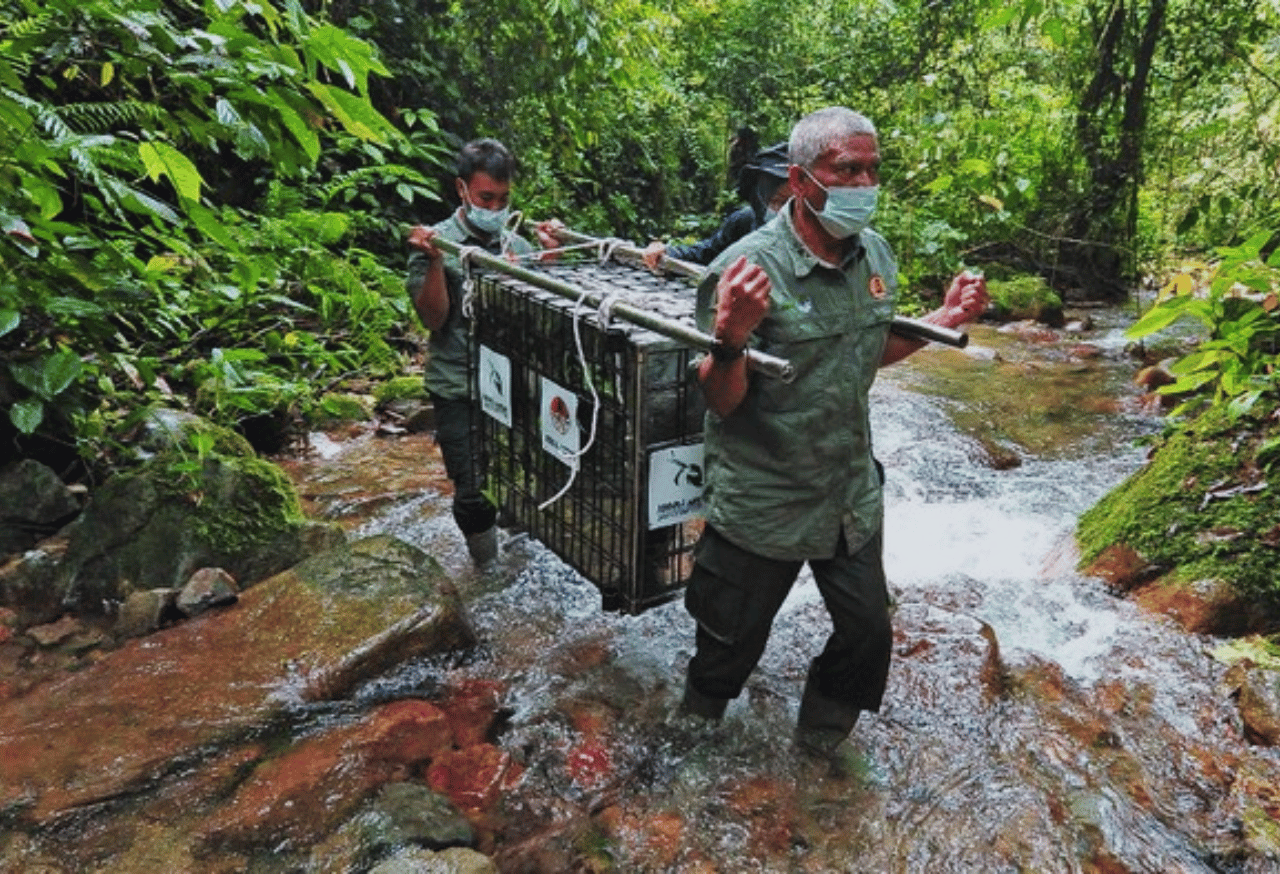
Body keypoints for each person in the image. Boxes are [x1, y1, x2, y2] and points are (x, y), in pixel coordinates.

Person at [677, 106, 989, 770]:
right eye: (847, 169)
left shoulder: (873, 253)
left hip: (847, 489)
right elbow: (721, 399)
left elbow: (867, 349)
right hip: (765, 496)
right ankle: (693, 740)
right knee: (728, 645)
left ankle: (818, 744)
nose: (864, 182)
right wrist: (732, 337)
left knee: (869, 631)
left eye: (872, 168)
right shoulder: (744, 270)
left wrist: (941, 319)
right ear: (799, 178)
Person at [405, 138, 562, 564]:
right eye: (485, 198)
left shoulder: (519, 246)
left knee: (516, 481)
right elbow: (434, 320)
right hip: (458, 384)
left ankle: (518, 564)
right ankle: (487, 574)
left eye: (503, 199)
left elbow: (544, 322)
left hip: (511, 384)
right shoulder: (436, 242)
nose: (494, 209)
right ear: (462, 190)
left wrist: (545, 260)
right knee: (472, 492)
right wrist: (436, 262)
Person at [642, 142, 792, 269]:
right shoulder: (745, 222)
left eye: (788, 202)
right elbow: (708, 252)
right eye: (775, 202)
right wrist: (667, 252)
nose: (780, 210)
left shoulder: (812, 236)